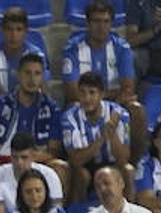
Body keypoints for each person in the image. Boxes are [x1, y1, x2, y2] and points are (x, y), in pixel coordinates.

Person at [62, 1, 147, 156]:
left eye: (105, 21)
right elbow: (72, 92)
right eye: (96, 21)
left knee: (136, 110)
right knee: (71, 106)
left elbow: (128, 89)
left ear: (111, 24)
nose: (101, 26)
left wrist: (99, 99)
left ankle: (135, 165)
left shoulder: (122, 48)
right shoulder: (73, 49)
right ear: (88, 23)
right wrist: (106, 95)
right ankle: (76, 162)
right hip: (83, 104)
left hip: (114, 104)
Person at [0, 53, 67, 191]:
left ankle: (56, 212)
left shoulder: (51, 108)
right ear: (18, 75)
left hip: (35, 162)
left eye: (37, 73)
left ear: (43, 77)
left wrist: (30, 159)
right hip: (1, 160)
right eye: (27, 73)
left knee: (61, 167)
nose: (32, 79)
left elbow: (54, 150)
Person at [62, 72, 134, 203]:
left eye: (92, 92)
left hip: (112, 164)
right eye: (82, 93)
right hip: (85, 165)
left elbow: (123, 158)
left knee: (128, 170)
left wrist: (112, 135)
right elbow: (75, 160)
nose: (87, 98)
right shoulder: (69, 117)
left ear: (101, 94)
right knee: (81, 174)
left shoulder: (120, 114)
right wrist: (101, 138)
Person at [0, 133, 65, 213]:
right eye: (14, 157)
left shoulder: (49, 175)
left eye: (24, 157)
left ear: (34, 155)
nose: (19, 163)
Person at [0, 6, 42, 106]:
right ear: (2, 31)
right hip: (0, 111)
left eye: (19, 29)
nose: (13, 35)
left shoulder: (36, 55)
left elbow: (41, 91)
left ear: (26, 32)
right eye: (9, 29)